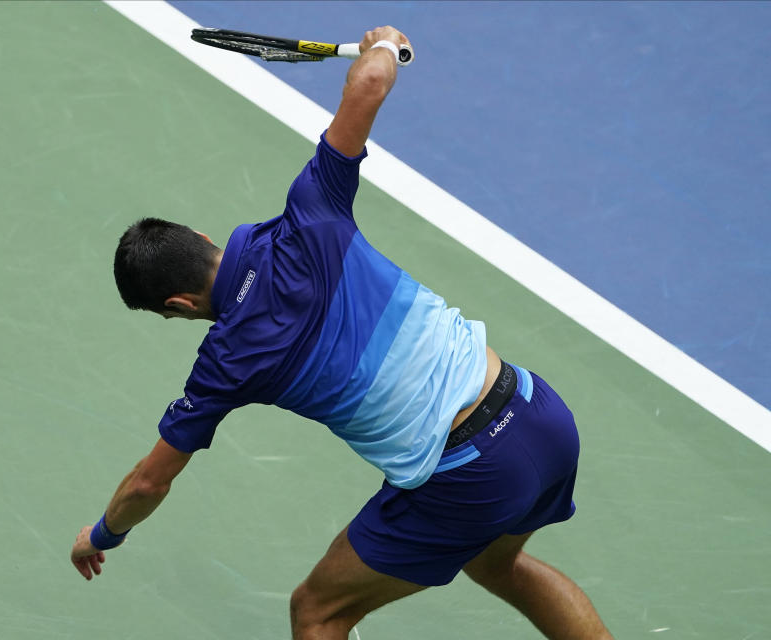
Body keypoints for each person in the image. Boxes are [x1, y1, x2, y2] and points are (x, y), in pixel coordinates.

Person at [70, 26, 613, 640]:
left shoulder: (225, 365)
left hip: (467, 472)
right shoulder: (312, 209)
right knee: (497, 564)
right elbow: (373, 81)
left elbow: (149, 481)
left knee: (318, 611)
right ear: (200, 236)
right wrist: (384, 44)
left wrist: (102, 533)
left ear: (177, 304)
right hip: (538, 412)